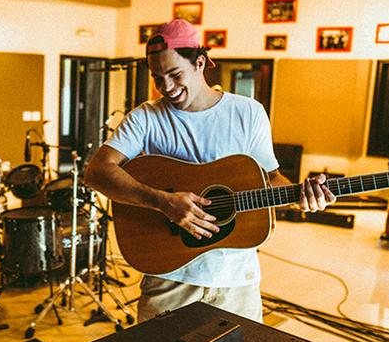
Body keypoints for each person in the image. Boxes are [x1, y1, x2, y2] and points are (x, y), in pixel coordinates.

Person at [84, 19, 335, 323]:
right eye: (157, 77)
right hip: (169, 279)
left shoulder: (248, 113)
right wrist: (162, 202)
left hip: (236, 282)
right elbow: (97, 171)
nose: (166, 87)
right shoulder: (146, 118)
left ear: (200, 63)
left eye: (175, 74)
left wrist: (302, 194)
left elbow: (270, 181)